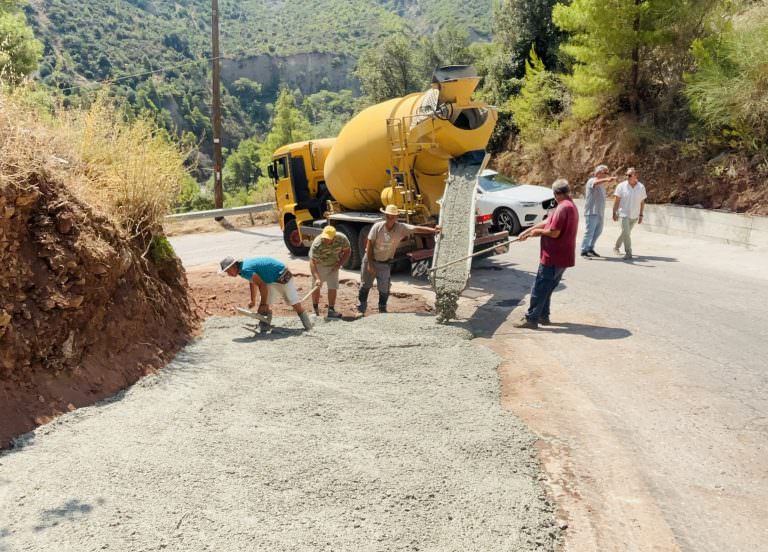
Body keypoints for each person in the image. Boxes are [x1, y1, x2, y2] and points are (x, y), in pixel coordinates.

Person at [514, 179, 579, 329]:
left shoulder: (564, 208)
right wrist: (527, 231)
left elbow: (554, 232)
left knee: (540, 288)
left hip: (554, 256)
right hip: (562, 257)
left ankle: (531, 319)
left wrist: (536, 233)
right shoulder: (568, 205)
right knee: (547, 288)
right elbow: (547, 221)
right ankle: (543, 316)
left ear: (556, 193)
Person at [358, 204, 440, 314]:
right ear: (385, 216)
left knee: (384, 288)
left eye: (393, 216)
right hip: (370, 260)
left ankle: (382, 310)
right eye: (388, 216)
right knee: (365, 285)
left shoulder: (401, 228)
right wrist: (370, 265)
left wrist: (434, 230)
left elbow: (416, 229)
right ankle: (361, 308)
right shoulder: (377, 227)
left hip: (385, 264)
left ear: (396, 217)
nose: (390, 219)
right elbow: (369, 246)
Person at [219, 255, 312, 330]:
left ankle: (308, 326)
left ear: (234, 265)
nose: (229, 274)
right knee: (264, 306)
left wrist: (262, 303)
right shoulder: (241, 270)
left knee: (294, 303)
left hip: (283, 275)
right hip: (271, 279)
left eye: (228, 271)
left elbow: (262, 285)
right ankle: (264, 326)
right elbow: (253, 282)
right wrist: (253, 300)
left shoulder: (245, 269)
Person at [309, 225, 351, 318]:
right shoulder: (318, 243)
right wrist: (317, 278)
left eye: (328, 238)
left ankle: (331, 311)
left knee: (332, 287)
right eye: (324, 237)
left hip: (333, 265)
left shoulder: (342, 239)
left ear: (334, 237)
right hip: (319, 265)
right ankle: (315, 310)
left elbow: (348, 251)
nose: (326, 240)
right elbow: (312, 262)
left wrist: (339, 264)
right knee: (316, 287)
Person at [612, 167, 647, 260]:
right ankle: (628, 252)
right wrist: (614, 212)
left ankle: (616, 247)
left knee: (625, 233)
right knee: (626, 233)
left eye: (630, 175)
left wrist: (641, 214)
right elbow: (616, 200)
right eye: (626, 175)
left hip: (634, 215)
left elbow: (642, 202)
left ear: (635, 175)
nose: (627, 176)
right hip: (623, 213)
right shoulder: (621, 186)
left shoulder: (641, 187)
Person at [581, 164, 615, 258]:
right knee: (589, 232)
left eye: (607, 173)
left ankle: (590, 248)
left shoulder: (602, 185)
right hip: (592, 212)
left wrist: (605, 180)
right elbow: (595, 183)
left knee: (598, 232)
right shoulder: (592, 180)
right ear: (598, 173)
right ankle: (584, 251)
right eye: (605, 173)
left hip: (600, 213)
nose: (606, 175)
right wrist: (607, 179)